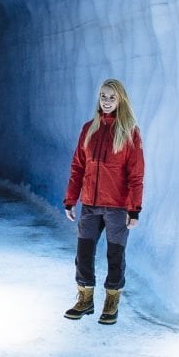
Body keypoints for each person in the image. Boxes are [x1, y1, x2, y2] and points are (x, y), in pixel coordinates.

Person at [63, 78, 144, 325]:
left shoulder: (129, 132)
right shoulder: (89, 129)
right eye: (103, 96)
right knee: (83, 254)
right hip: (89, 205)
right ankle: (85, 300)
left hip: (117, 207)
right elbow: (78, 166)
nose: (107, 101)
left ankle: (112, 302)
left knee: (114, 256)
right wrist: (70, 200)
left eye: (112, 97)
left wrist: (134, 209)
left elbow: (136, 173)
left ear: (120, 100)